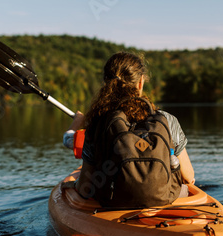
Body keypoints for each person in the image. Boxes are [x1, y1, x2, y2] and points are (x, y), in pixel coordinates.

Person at [63, 51, 195, 205]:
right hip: (164, 199)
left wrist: (73, 184)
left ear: (106, 83)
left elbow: (86, 188)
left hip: (113, 202)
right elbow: (188, 177)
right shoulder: (167, 120)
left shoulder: (98, 124)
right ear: (141, 82)